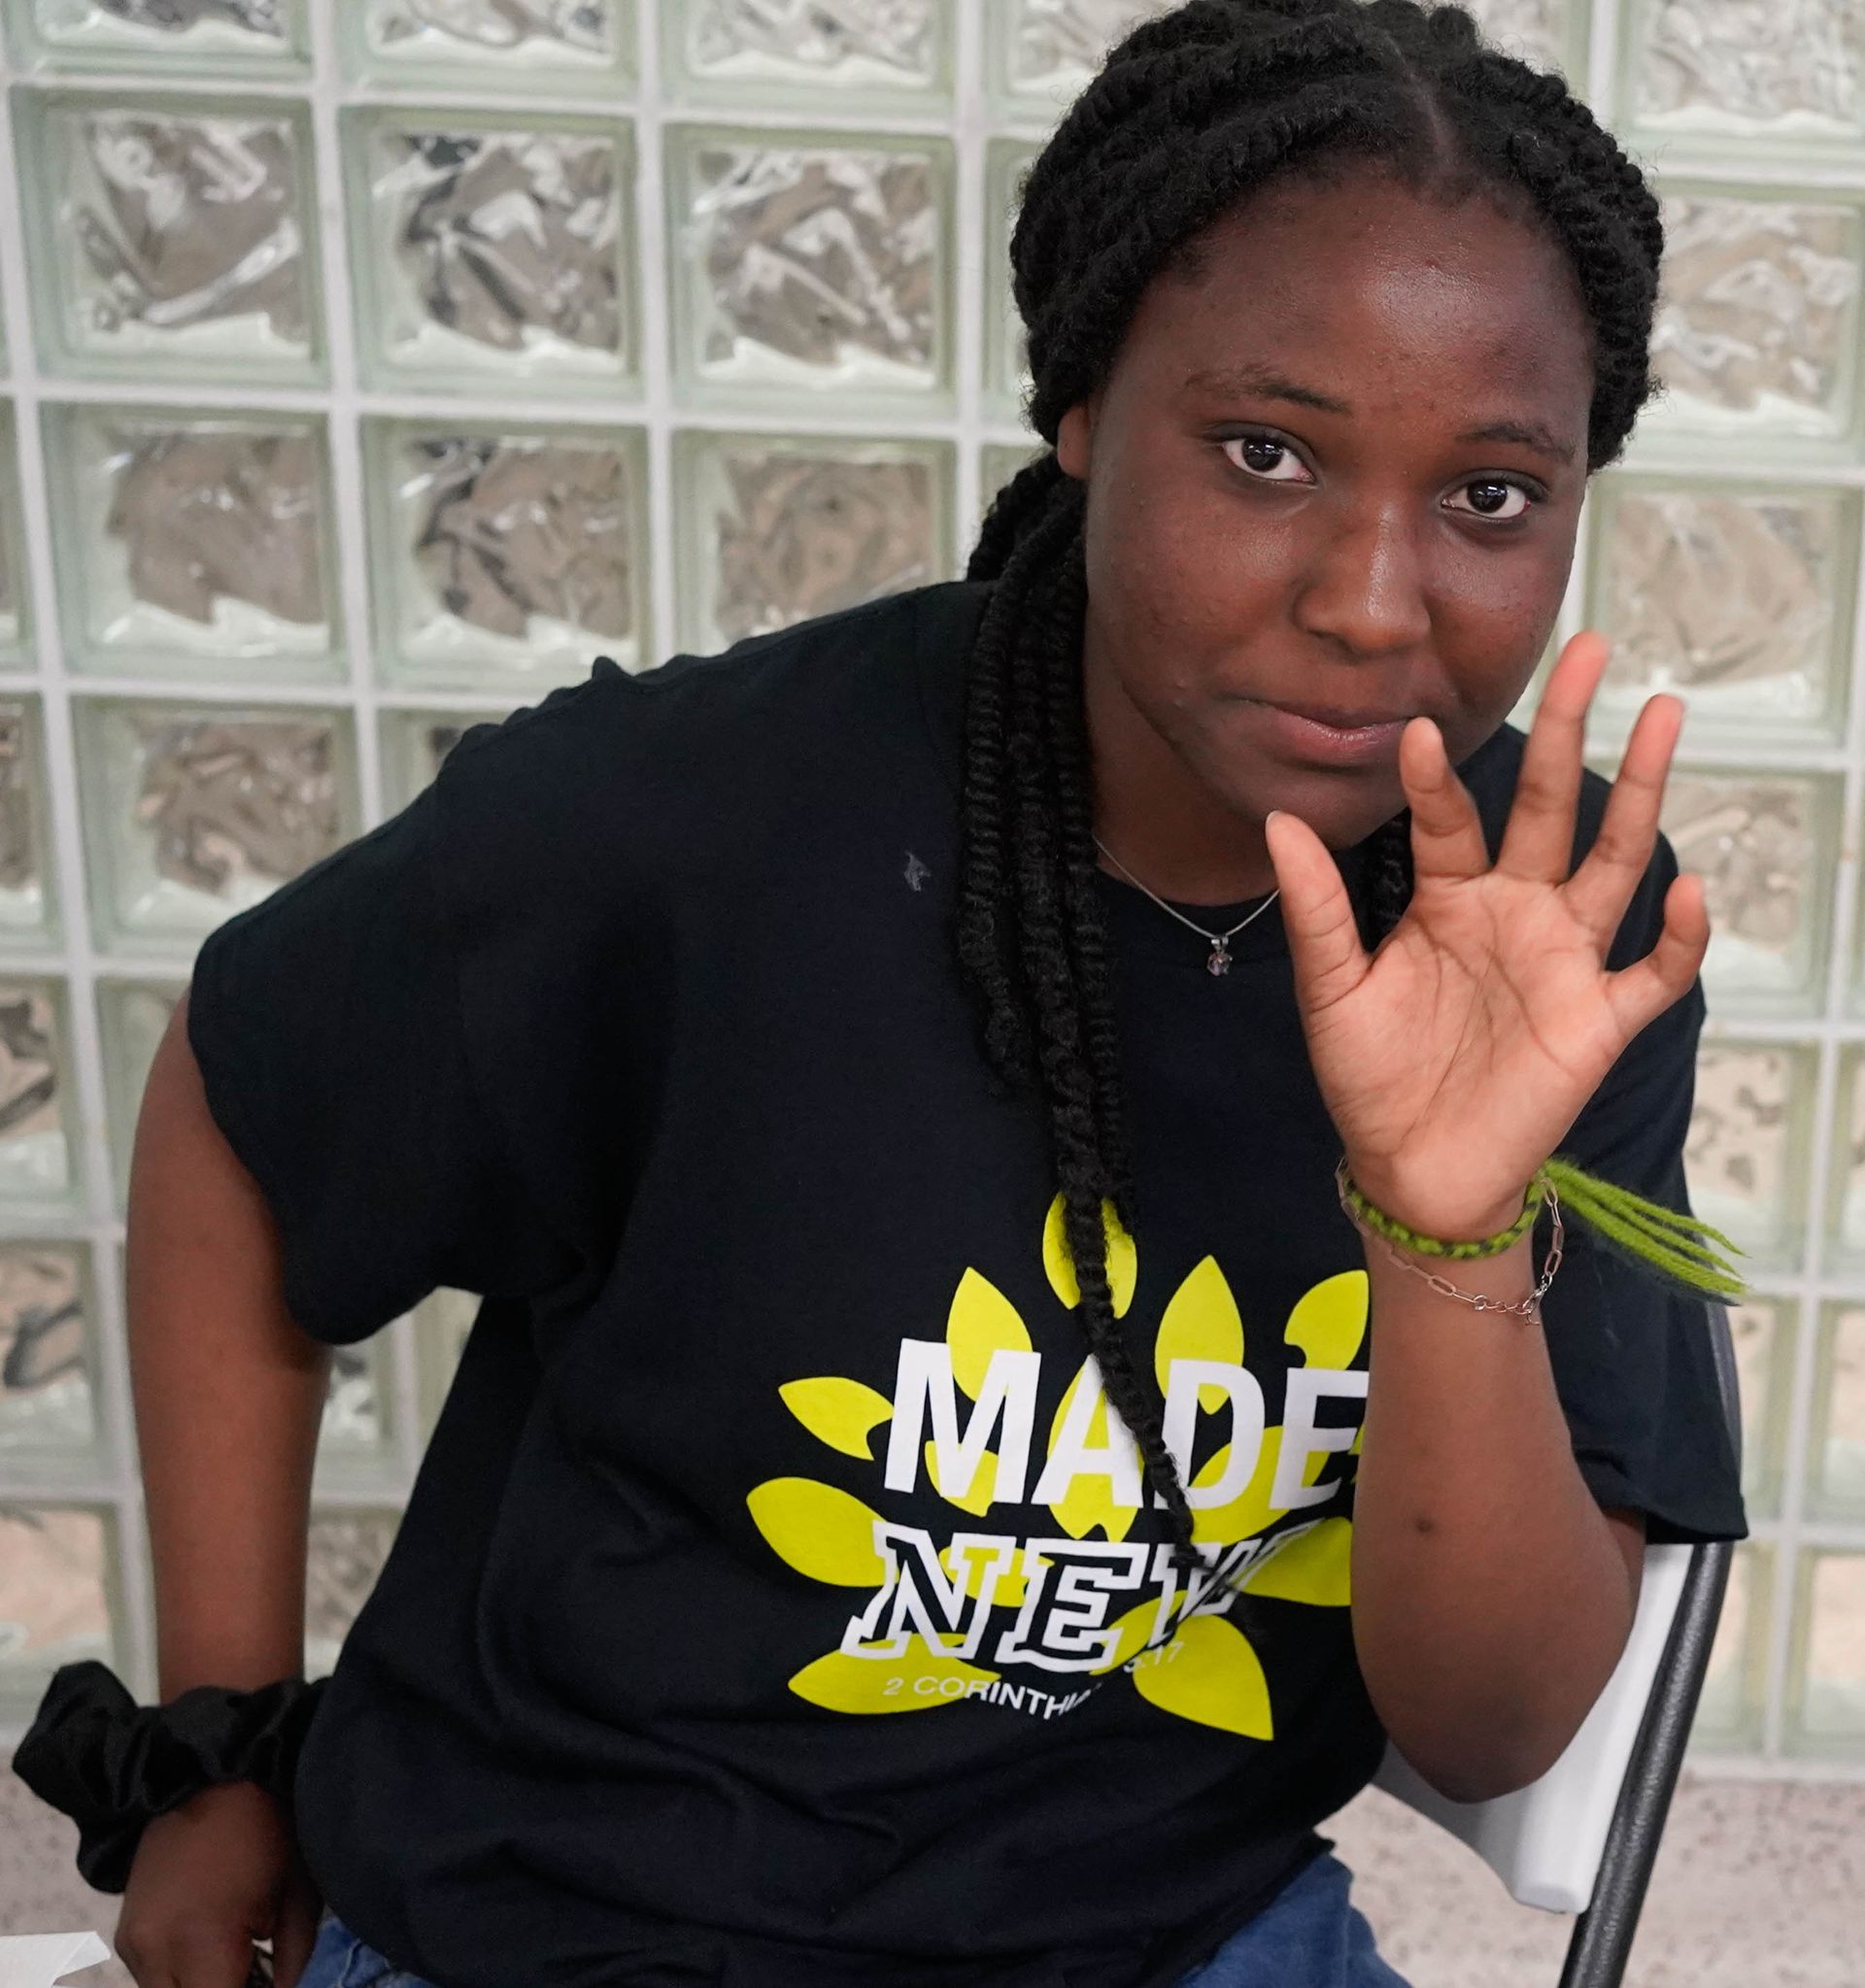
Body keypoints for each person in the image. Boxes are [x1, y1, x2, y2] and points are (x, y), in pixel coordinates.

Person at [16, 3, 1750, 1985]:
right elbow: (246, 1115)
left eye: (1492, 496)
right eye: (1264, 451)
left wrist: (1445, 1234)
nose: (1372, 600)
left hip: (1160, 1932)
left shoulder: (1561, 942)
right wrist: (215, 1751)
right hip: (568, 1915)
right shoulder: (687, 823)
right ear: (1085, 407)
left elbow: (1494, 1723)